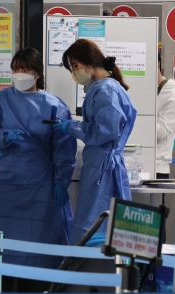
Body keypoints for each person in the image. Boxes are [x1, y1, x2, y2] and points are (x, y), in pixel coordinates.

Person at [0, 47, 76, 274]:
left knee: (40, 236)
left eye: (26, 69)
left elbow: (64, 147)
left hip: (41, 183)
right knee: (0, 235)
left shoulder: (54, 105)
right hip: (6, 183)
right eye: (16, 69)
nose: (20, 74)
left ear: (37, 73)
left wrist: (62, 180)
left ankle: (37, 283)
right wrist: (2, 137)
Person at [53, 39, 136, 244]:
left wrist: (71, 127)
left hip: (103, 170)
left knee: (92, 228)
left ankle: (88, 273)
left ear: (89, 64)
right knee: (103, 228)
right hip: (101, 168)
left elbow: (105, 131)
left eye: (75, 65)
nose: (74, 72)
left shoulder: (105, 89)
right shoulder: (104, 88)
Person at [156, 53, 175, 179]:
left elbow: (162, 133)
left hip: (158, 167)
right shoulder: (149, 91)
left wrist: (140, 114)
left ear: (157, 65)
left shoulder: (172, 94)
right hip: (132, 163)